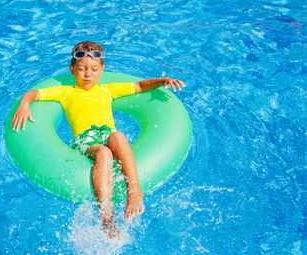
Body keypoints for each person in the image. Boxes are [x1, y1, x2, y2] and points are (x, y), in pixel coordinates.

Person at [11, 41, 185, 237]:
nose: (87, 74)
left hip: (108, 134)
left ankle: (134, 193)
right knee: (104, 152)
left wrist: (162, 81)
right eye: (81, 69)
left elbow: (139, 86)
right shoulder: (66, 92)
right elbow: (34, 93)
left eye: (94, 69)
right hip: (87, 142)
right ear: (72, 69)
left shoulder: (106, 90)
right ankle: (106, 218)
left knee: (118, 136)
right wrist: (25, 104)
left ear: (102, 69)